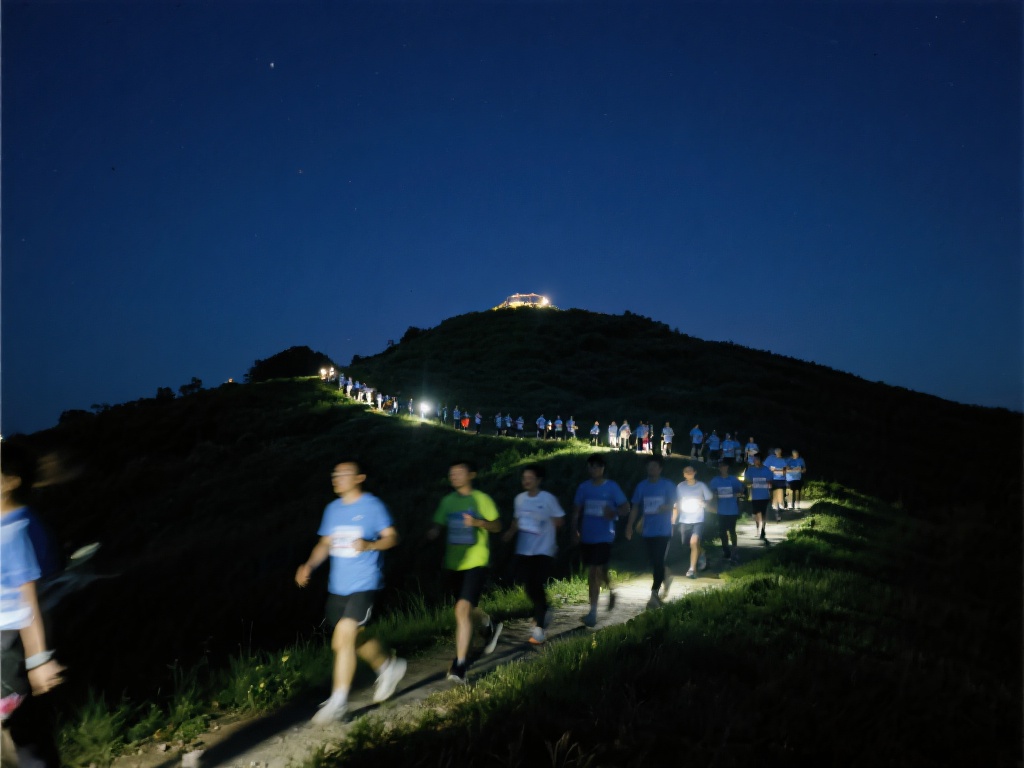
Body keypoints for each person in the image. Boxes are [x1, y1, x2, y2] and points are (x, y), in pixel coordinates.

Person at [295, 459, 406, 724]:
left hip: (365, 583)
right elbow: (325, 542)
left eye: (344, 473)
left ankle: (339, 703)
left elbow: (392, 537)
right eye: (335, 473)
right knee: (348, 640)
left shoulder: (372, 506)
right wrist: (309, 564)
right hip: (338, 587)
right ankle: (389, 667)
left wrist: (369, 544)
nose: (337, 477)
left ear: (359, 478)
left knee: (345, 633)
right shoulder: (332, 509)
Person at [2, 442, 65, 767]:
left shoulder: (15, 532)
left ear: (10, 481)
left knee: (27, 735)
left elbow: (28, 599)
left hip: (11, 644)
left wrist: (39, 658)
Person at [426, 460, 503, 684]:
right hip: (453, 564)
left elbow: (497, 525)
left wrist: (479, 522)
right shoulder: (447, 502)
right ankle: (488, 624)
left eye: (459, 473)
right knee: (466, 608)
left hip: (476, 561)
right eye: (452, 473)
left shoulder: (481, 499)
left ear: (472, 475)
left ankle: (460, 665)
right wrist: (432, 532)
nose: (455, 476)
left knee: (462, 609)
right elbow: (438, 524)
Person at [501, 464, 565, 644]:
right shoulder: (519, 499)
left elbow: (560, 520)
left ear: (538, 480)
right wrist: (510, 533)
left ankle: (539, 628)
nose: (526, 481)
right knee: (529, 587)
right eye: (524, 478)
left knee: (536, 583)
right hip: (524, 550)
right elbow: (517, 520)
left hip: (544, 549)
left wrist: (546, 523)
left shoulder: (547, 499)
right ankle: (544, 610)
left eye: (530, 478)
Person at [571, 455, 629, 628]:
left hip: (605, 536)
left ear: (603, 468)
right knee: (599, 571)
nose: (593, 470)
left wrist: (614, 513)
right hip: (587, 536)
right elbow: (576, 510)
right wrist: (574, 530)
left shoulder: (612, 487)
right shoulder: (583, 488)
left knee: (594, 572)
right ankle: (611, 590)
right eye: (591, 467)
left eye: (597, 467)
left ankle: (592, 613)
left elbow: (626, 507)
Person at [626, 456, 678, 608]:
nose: (651, 469)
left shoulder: (667, 485)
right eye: (649, 467)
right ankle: (666, 575)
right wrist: (629, 525)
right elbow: (635, 507)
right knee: (653, 561)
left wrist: (666, 508)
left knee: (657, 560)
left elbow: (675, 503)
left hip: (663, 530)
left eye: (654, 467)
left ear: (660, 469)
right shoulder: (642, 486)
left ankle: (654, 594)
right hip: (648, 530)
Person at [676, 465, 713, 578]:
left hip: (698, 518)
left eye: (691, 471)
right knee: (686, 543)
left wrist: (704, 503)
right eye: (686, 472)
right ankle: (701, 552)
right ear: (684, 474)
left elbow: (709, 497)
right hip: (684, 519)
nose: (689, 473)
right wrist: (674, 516)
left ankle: (692, 569)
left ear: (695, 472)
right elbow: (677, 501)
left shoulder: (701, 485)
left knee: (694, 542)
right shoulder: (680, 486)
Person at [708, 463, 744, 564]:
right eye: (721, 467)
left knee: (732, 530)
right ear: (719, 468)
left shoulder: (733, 479)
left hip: (732, 509)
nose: (723, 468)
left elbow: (741, 490)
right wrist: (714, 495)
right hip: (721, 510)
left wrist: (739, 493)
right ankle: (725, 549)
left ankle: (734, 549)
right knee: (722, 531)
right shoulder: (715, 481)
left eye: (725, 466)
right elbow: (710, 493)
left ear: (727, 467)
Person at [745, 455, 773, 545]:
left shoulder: (766, 470)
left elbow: (770, 482)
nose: (755, 461)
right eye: (754, 460)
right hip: (755, 496)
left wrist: (771, 494)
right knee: (756, 513)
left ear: (760, 460)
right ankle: (758, 529)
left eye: (757, 460)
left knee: (763, 513)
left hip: (764, 496)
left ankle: (763, 530)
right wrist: (750, 484)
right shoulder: (750, 470)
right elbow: (747, 481)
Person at [764, 448, 788, 521]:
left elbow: (785, 471)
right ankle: (777, 512)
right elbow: (765, 467)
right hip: (773, 480)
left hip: (780, 480)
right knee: (775, 496)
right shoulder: (770, 459)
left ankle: (778, 512)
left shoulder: (783, 460)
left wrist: (777, 470)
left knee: (778, 495)